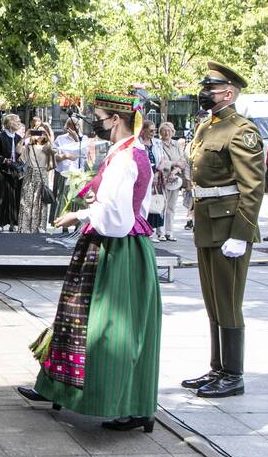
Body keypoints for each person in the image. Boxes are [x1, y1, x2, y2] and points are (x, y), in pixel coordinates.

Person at [19, 92, 162, 432]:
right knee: (76, 319)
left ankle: (127, 403)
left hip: (115, 251)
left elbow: (116, 215)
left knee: (107, 328)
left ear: (115, 119)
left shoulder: (127, 158)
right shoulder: (130, 152)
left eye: (98, 115)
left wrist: (78, 214)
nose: (94, 121)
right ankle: (57, 387)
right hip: (120, 246)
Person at [180, 62, 264, 398]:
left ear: (228, 93)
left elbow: (252, 186)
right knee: (213, 300)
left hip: (229, 226)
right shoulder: (206, 128)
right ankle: (217, 368)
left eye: (210, 88)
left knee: (228, 301)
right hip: (206, 221)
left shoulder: (242, 130)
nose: (204, 93)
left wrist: (241, 234)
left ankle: (234, 374)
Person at [154, 122, 187, 241]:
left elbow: (182, 161)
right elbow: (160, 160)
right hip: (162, 178)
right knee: (162, 205)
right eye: (164, 130)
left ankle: (169, 231)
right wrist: (174, 164)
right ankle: (160, 231)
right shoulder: (157, 144)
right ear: (160, 132)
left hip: (175, 179)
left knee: (172, 206)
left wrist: (175, 171)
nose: (167, 133)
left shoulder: (177, 144)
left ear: (173, 132)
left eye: (169, 131)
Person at [0, 114, 24, 232]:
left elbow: (21, 154)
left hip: (15, 172)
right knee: (1, 197)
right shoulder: (0, 137)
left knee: (15, 196)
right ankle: (0, 222)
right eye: (17, 121)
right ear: (10, 123)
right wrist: (4, 160)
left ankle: (14, 222)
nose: (19, 123)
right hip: (3, 171)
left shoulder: (19, 138)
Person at [52, 116, 87, 228]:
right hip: (64, 172)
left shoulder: (83, 138)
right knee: (62, 199)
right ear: (67, 126)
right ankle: (63, 226)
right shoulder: (60, 139)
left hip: (78, 174)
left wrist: (76, 139)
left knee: (78, 200)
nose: (74, 127)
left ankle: (78, 226)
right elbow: (54, 156)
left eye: (76, 125)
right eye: (72, 125)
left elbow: (84, 154)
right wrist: (64, 156)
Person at [18, 127, 53, 232]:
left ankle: (40, 226)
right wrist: (25, 137)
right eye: (38, 132)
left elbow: (55, 151)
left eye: (42, 133)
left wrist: (48, 136)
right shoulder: (29, 146)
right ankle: (25, 227)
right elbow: (18, 151)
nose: (40, 135)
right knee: (27, 199)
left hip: (42, 174)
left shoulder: (47, 147)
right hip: (30, 174)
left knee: (41, 200)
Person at [138, 121, 167, 239]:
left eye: (154, 130)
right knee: (144, 204)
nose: (153, 133)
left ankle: (154, 231)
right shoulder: (137, 143)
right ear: (143, 130)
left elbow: (163, 158)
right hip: (143, 177)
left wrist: (159, 170)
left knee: (157, 202)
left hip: (156, 178)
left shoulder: (157, 143)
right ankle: (143, 229)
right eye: (151, 130)